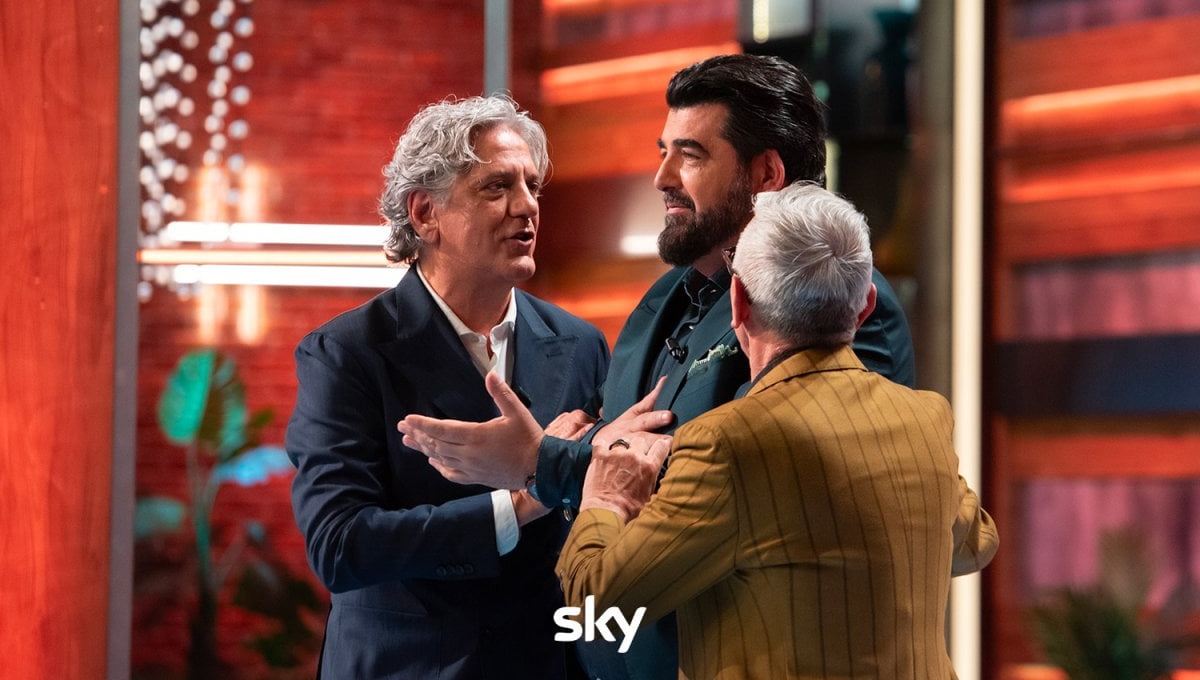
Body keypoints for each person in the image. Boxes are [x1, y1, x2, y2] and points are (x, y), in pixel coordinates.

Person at [398, 53, 916, 678]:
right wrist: (588, 449)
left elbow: (777, 479)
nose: (661, 177)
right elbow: (624, 446)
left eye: (690, 155)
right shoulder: (665, 297)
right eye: (663, 151)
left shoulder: (840, 303)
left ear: (766, 174)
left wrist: (544, 462)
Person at [554, 182, 999, 680]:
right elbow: (975, 541)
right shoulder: (924, 417)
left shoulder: (727, 442)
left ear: (738, 302)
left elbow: (593, 607)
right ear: (866, 305)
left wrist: (605, 498)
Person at [285, 94, 610, 679]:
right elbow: (340, 546)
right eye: (497, 187)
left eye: (532, 186)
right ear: (424, 213)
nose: (527, 207)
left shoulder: (582, 343)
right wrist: (524, 499)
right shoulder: (346, 353)